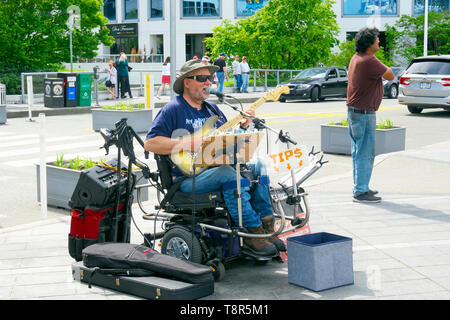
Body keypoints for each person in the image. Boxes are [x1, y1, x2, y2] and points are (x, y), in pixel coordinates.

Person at [144, 59, 284, 257]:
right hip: (187, 178)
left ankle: (266, 229)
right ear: (187, 82)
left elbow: (225, 141)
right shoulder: (172, 109)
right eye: (202, 78)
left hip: (212, 168)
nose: (208, 83)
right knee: (228, 174)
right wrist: (186, 144)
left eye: (209, 78)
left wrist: (243, 127)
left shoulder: (212, 110)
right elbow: (150, 143)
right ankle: (251, 232)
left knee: (258, 165)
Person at [346, 27, 394, 203]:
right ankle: (360, 191)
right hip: (364, 114)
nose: (379, 41)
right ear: (369, 44)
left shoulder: (357, 58)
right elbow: (390, 75)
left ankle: (361, 186)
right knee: (365, 153)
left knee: (359, 152)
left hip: (356, 113)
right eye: (376, 39)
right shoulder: (368, 60)